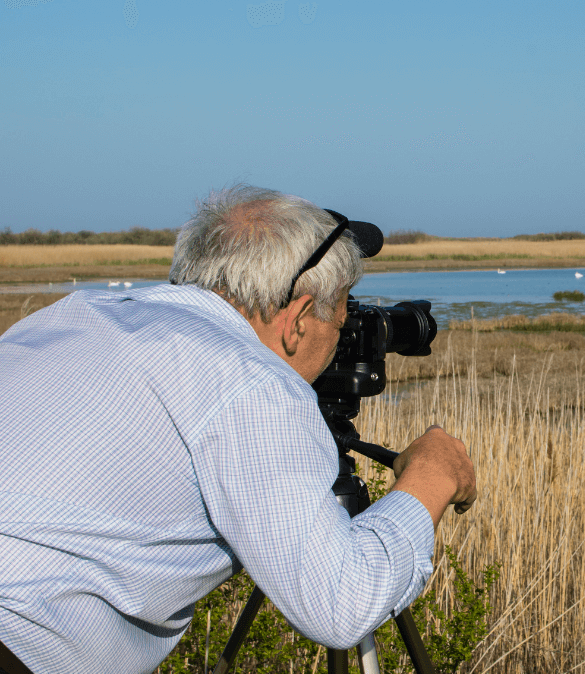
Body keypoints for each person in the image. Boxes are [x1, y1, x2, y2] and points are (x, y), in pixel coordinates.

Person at [0, 184, 476, 674]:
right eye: (341, 315)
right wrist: (432, 475)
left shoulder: (69, 318)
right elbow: (342, 603)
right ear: (297, 321)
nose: (344, 334)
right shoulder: (249, 379)